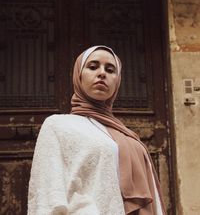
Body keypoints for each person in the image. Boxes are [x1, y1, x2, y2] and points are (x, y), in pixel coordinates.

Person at [28, 45, 166, 215]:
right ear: (78, 75)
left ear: (118, 80)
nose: (102, 73)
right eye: (93, 67)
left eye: (110, 70)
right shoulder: (58, 125)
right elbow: (46, 196)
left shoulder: (126, 135)